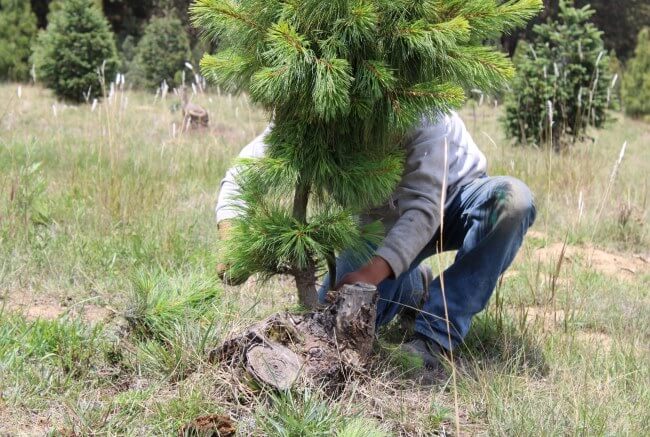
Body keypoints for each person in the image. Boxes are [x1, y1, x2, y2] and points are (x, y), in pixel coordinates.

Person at [215, 112, 536, 369]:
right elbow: (244, 172)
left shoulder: (416, 102)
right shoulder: (312, 109)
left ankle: (437, 334)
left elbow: (425, 209)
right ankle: (412, 287)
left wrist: (369, 275)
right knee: (337, 328)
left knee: (513, 201)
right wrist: (233, 244)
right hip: (380, 224)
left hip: (456, 200)